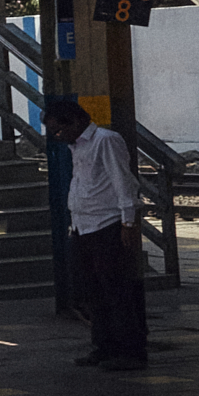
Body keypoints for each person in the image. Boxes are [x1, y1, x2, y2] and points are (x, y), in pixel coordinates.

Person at [52, 98, 148, 371]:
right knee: (92, 291)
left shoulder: (106, 140)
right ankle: (103, 345)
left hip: (107, 223)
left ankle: (129, 349)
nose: (59, 137)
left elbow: (122, 180)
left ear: (75, 121)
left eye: (59, 130)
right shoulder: (76, 147)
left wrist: (128, 222)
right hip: (83, 225)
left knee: (115, 288)